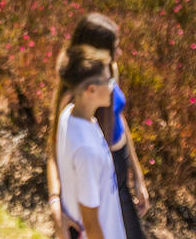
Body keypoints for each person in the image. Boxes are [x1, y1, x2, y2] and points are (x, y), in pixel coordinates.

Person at [47, 13, 149, 239]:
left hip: (116, 174)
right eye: (114, 48)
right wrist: (56, 203)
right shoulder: (75, 96)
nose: (119, 53)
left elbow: (119, 118)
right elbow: (54, 153)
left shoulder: (108, 72)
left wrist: (137, 176)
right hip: (98, 175)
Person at [52, 45, 128, 239]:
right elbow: (91, 223)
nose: (113, 86)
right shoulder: (87, 152)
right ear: (91, 90)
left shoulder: (70, 115)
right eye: (108, 81)